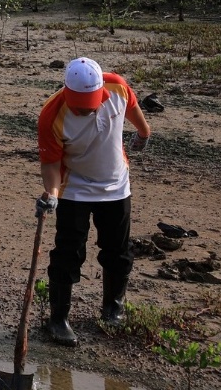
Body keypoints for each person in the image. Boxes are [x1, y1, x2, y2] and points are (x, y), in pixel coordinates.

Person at [37, 57, 152, 346]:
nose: (84, 110)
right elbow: (50, 165)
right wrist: (52, 195)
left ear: (101, 91)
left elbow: (133, 108)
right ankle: (58, 319)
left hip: (116, 185)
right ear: (67, 92)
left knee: (118, 249)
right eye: (78, 105)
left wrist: (144, 133)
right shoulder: (52, 115)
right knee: (68, 251)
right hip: (74, 188)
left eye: (89, 105)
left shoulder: (117, 87)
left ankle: (113, 308)